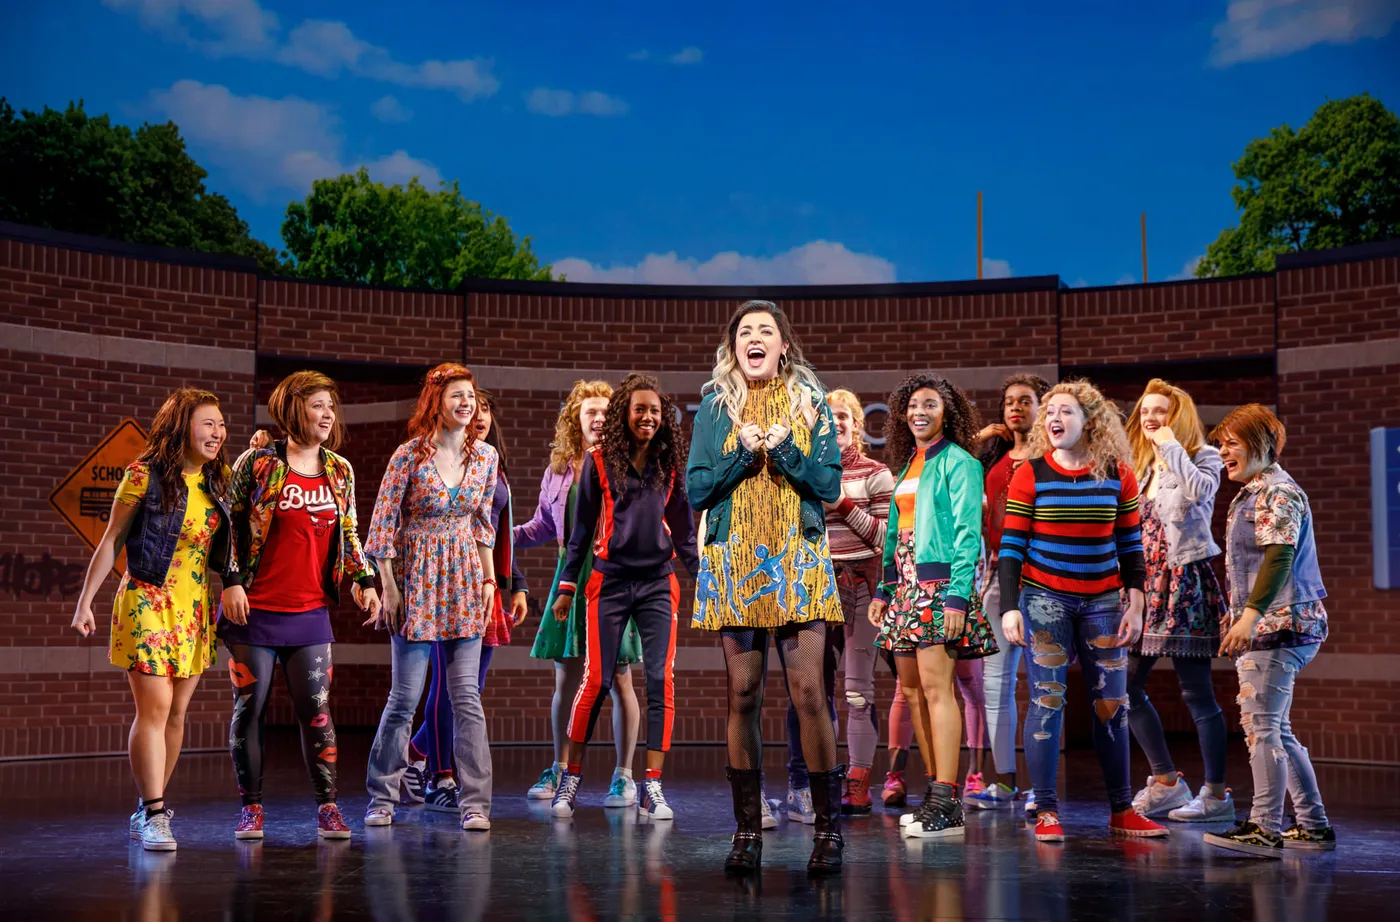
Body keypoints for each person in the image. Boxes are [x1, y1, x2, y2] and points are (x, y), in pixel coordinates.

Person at [686, 300, 846, 874]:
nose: (754, 339)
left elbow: (827, 483)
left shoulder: (812, 402)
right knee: (744, 697)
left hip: (797, 561)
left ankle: (827, 831)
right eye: (744, 332)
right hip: (735, 564)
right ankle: (747, 832)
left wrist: (781, 447)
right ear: (734, 348)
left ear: (783, 345)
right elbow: (698, 489)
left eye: (765, 331)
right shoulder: (714, 407)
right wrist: (743, 449)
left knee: (808, 695)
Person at [998, 380, 1167, 842]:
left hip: (1103, 600)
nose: (1054, 418)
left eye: (1065, 411)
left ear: (1088, 420)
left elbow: (1131, 547)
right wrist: (1010, 607)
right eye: (1049, 410)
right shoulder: (1031, 473)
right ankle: (1047, 810)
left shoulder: (1118, 472)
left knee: (1112, 704)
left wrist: (1136, 600)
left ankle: (1121, 809)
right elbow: (1011, 546)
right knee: (1047, 700)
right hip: (1044, 597)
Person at [71, 388, 235, 851]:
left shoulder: (215, 484)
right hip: (147, 597)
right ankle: (157, 815)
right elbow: (110, 541)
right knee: (155, 709)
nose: (218, 433)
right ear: (182, 426)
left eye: (221, 425)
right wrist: (85, 602)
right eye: (208, 423)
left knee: (178, 713)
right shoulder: (144, 476)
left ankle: (147, 809)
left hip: (194, 607)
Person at [220, 371, 381, 841]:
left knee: (318, 711)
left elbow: (349, 532)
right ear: (293, 409)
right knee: (250, 710)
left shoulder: (340, 470)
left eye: (331, 405)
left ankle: (328, 807)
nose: (328, 414)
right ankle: (251, 810)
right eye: (317, 405)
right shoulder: (258, 463)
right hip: (255, 611)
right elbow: (228, 527)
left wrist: (364, 580)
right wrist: (231, 582)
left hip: (310, 614)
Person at [549, 374, 699, 821]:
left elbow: (686, 533)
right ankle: (570, 779)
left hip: (657, 582)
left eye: (655, 411)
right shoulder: (597, 462)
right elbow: (580, 531)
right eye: (639, 410)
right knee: (595, 680)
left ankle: (650, 785)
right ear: (624, 415)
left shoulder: (670, 465)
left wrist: (702, 579)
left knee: (660, 681)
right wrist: (566, 587)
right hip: (609, 582)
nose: (648, 417)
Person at [362, 363, 499, 832]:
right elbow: (381, 526)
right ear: (436, 402)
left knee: (466, 697)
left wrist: (488, 582)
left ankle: (475, 801)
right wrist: (390, 586)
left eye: (471, 396)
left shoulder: (485, 457)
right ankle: (383, 795)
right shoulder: (408, 455)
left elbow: (483, 524)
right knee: (405, 697)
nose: (466, 403)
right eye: (456, 395)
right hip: (416, 575)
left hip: (463, 575)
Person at [869, 373, 998, 839]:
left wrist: (959, 594)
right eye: (912, 406)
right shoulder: (910, 465)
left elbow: (968, 534)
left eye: (930, 405)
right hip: (904, 589)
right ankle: (934, 796)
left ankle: (947, 798)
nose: (919, 412)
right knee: (914, 691)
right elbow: (893, 532)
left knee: (938, 689)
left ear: (947, 413)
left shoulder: (959, 462)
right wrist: (885, 589)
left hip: (940, 585)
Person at [1204, 405, 1335, 858]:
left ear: (1260, 444)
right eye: (1221, 443)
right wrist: (1241, 611)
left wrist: (1250, 614)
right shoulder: (1257, 492)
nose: (1224, 451)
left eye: (1232, 443)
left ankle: (1263, 827)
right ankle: (1313, 825)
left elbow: (1279, 558)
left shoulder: (1278, 493)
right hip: (1276, 621)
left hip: (1282, 624)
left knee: (1260, 727)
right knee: (1277, 728)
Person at [516, 380, 644, 808]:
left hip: (613, 576)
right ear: (576, 420)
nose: (597, 420)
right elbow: (540, 527)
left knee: (619, 677)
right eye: (589, 413)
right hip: (568, 578)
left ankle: (624, 776)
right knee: (566, 679)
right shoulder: (558, 471)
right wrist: (492, 535)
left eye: (605, 413)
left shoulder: (628, 465)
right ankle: (560, 767)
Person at [406, 388, 530, 814]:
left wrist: (515, 584)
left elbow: (498, 533)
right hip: (448, 583)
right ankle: (439, 775)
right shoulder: (441, 461)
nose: (479, 414)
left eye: (486, 407)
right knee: (448, 685)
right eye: (471, 405)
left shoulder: (492, 465)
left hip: (487, 587)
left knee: (470, 691)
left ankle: (414, 754)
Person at [1121, 380, 1233, 822]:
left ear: (1178, 417)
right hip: (1141, 587)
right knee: (1125, 687)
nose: (1151, 419)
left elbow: (1201, 493)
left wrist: (1171, 447)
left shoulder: (1201, 456)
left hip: (1184, 579)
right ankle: (1166, 781)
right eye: (1146, 411)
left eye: (1160, 412)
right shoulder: (1141, 467)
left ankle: (1217, 795)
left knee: (1196, 693)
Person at [966, 373, 1050, 813]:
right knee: (996, 684)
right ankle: (1003, 781)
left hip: (1045, 577)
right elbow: (952, 465)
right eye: (1009, 402)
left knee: (1043, 685)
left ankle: (1043, 786)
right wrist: (981, 437)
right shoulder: (994, 459)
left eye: (1026, 401)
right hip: (1001, 578)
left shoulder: (1053, 457)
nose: (1016, 408)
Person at [821, 389, 895, 816]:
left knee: (855, 693)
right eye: (829, 417)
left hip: (864, 588)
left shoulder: (876, 472)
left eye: (844, 416)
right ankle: (822, 774)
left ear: (857, 424)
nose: (837, 423)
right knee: (814, 691)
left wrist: (842, 504)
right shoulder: (808, 475)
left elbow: (886, 540)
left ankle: (858, 778)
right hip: (818, 589)